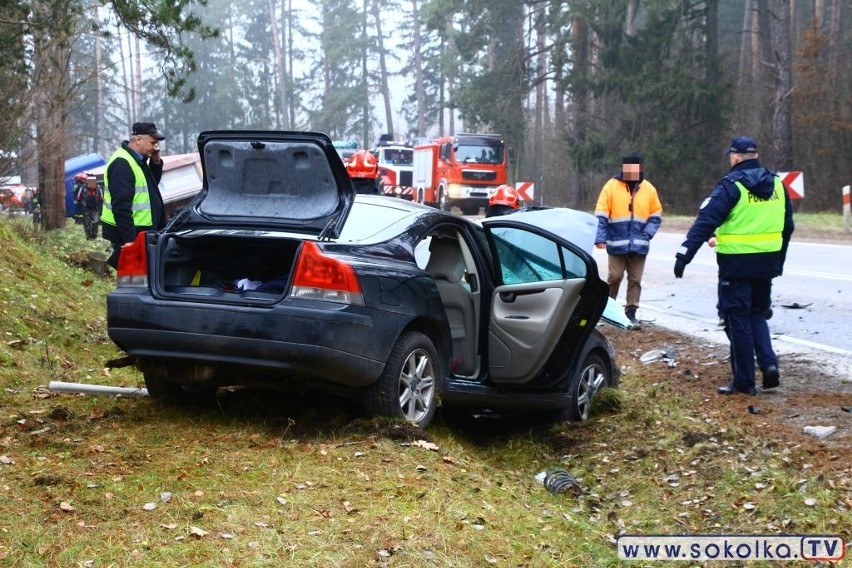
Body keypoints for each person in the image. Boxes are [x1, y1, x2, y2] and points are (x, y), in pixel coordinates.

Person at [674, 136, 794, 395]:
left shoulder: (731, 185)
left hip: (736, 266)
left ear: (736, 157)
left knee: (736, 319)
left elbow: (705, 221)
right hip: (766, 264)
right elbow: (788, 227)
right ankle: (769, 364)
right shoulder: (777, 184)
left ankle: (744, 382)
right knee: (757, 313)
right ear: (756, 155)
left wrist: (684, 255)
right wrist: (778, 262)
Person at [594, 152, 663, 328]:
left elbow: (655, 215)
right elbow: (601, 214)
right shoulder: (611, 186)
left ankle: (631, 312)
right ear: (623, 168)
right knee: (614, 277)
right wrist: (600, 238)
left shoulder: (648, 189)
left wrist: (647, 234)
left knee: (635, 279)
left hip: (639, 245)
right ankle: (608, 310)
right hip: (616, 243)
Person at [101, 122, 166, 269]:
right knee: (133, 278)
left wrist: (155, 163)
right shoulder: (122, 163)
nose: (155, 147)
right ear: (138, 140)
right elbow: (121, 206)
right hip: (131, 234)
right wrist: (130, 241)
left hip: (141, 233)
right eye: (153, 142)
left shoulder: (138, 160)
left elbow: (151, 187)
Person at [76, 175, 103, 240]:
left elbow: (101, 198)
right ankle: (88, 236)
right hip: (86, 208)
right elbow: (78, 198)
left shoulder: (98, 188)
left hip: (95, 208)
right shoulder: (83, 188)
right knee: (87, 222)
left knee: (95, 222)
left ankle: (94, 236)